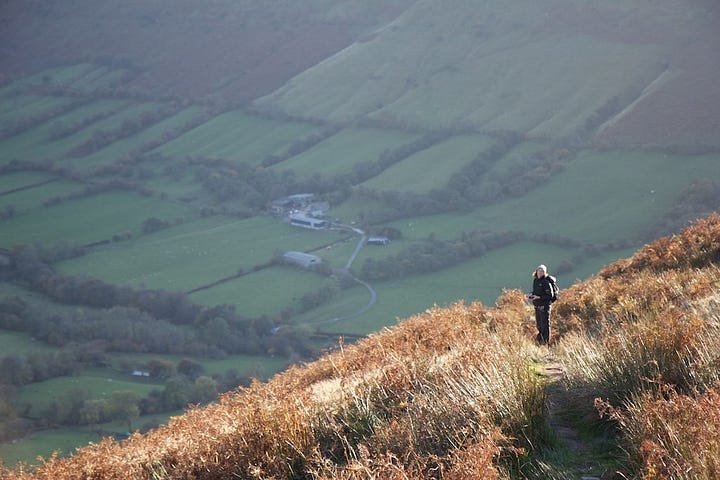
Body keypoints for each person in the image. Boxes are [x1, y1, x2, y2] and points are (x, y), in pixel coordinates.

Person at [528, 264, 553, 344]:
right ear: (536, 271)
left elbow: (550, 295)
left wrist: (539, 297)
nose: (540, 272)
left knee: (545, 324)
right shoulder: (536, 281)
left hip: (544, 306)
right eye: (539, 270)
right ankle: (540, 341)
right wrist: (531, 295)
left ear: (545, 273)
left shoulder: (546, 282)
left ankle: (545, 343)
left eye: (542, 271)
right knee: (539, 325)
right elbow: (536, 292)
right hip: (537, 306)